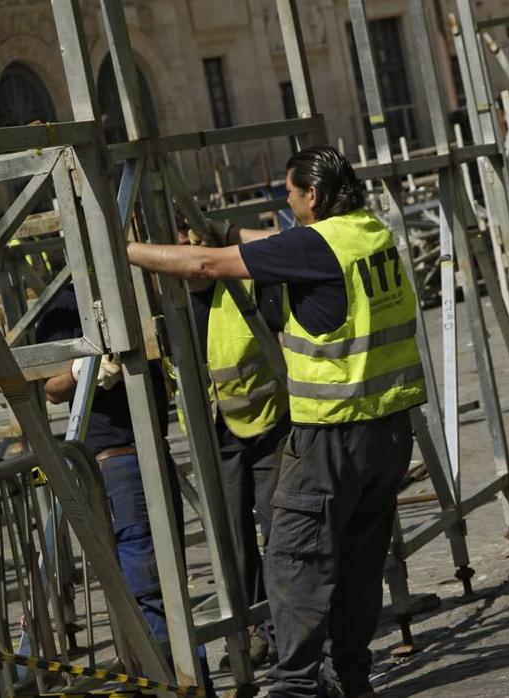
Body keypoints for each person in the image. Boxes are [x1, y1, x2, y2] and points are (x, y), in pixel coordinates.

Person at [128, 145, 426, 698]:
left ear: (311, 195)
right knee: (360, 559)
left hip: (333, 432)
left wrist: (125, 250)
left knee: (293, 556)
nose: (287, 207)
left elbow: (204, 265)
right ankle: (351, 678)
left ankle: (294, 686)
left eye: (289, 196)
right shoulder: (369, 232)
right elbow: (267, 245)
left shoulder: (316, 247)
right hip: (389, 430)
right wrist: (224, 231)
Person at [37, 285, 212, 690]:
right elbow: (51, 387)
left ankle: (186, 682)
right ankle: (183, 684)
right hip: (116, 461)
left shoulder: (134, 291)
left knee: (166, 582)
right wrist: (84, 371)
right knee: (148, 585)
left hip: (153, 451)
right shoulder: (63, 305)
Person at [175, 223, 291, 669]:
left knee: (280, 527)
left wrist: (227, 232)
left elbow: (286, 234)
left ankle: (289, 630)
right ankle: (254, 632)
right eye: (179, 243)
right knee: (233, 544)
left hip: (267, 426)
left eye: (193, 240)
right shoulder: (164, 301)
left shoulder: (243, 279)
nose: (187, 252)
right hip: (212, 436)